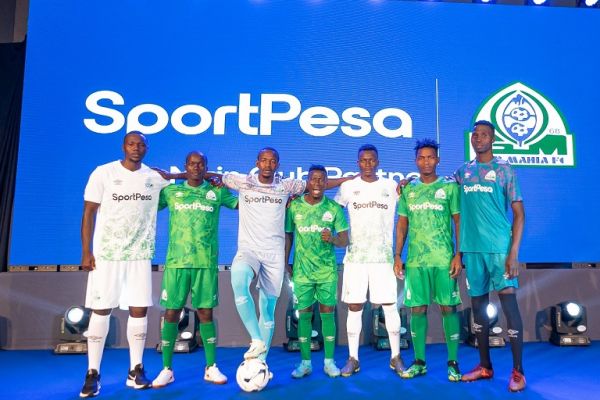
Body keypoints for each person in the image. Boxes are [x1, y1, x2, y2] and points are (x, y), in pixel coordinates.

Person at [79, 132, 170, 398]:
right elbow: (88, 212)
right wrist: (86, 252)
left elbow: (183, 179)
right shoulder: (103, 173)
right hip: (107, 255)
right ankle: (93, 372)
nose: (136, 148)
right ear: (124, 146)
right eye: (132, 144)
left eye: (141, 145)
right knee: (101, 310)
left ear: (147, 148)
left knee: (139, 310)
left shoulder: (154, 177)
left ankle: (135, 369)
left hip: (139, 256)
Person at [151, 151, 238, 388]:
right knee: (171, 314)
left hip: (205, 263)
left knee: (205, 314)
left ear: (206, 166)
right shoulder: (170, 192)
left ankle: (211, 367)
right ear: (185, 166)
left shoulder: (217, 192)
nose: (196, 167)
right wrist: (170, 176)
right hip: (176, 263)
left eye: (200, 164)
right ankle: (167, 369)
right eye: (191, 164)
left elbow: (242, 204)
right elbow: (146, 207)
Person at [454, 120, 526, 392]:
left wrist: (513, 252)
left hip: (500, 251)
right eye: (475, 134)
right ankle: (485, 366)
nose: (478, 138)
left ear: (492, 139)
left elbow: (519, 214)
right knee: (479, 311)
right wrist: (407, 182)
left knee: (509, 308)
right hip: (472, 252)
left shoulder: (505, 170)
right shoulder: (463, 172)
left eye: (484, 134)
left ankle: (518, 371)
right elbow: (439, 190)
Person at [394, 139, 462, 382]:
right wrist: (397, 255)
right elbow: (402, 224)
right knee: (417, 310)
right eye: (421, 158)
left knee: (448, 308)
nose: (426, 161)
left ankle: (453, 363)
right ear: (416, 161)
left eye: (430, 157)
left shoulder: (450, 188)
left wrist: (458, 255)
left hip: (444, 260)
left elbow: (458, 221)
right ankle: (419, 361)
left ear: (438, 160)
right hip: (416, 262)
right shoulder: (408, 190)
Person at [334, 144, 405, 377]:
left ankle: (395, 357)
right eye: (363, 160)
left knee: (390, 306)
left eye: (371, 160)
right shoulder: (347, 187)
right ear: (358, 163)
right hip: (355, 258)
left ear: (378, 162)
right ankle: (353, 358)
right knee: (354, 306)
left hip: (383, 258)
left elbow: (407, 205)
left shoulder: (390, 187)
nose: (367, 164)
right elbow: (332, 212)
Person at [284, 165, 349, 379]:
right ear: (308, 182)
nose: (317, 183)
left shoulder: (334, 208)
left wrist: (332, 239)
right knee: (304, 316)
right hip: (302, 272)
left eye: (322, 180)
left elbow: (344, 239)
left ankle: (329, 362)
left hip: (327, 272)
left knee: (327, 314)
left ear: (326, 182)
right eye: (313, 179)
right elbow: (288, 236)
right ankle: (305, 363)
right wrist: (287, 262)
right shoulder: (294, 207)